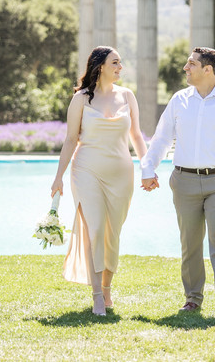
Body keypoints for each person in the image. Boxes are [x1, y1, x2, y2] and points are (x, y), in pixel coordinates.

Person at [141, 46, 215, 319]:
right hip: (185, 181)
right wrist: (148, 168)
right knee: (190, 243)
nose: (185, 68)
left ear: (208, 69)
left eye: (191, 63)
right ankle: (192, 299)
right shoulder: (179, 100)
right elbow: (161, 139)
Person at [51, 46, 148, 316]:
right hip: (86, 171)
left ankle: (106, 289)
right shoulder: (81, 99)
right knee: (95, 228)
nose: (120, 67)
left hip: (121, 173)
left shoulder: (127, 96)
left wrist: (148, 167)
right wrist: (58, 176)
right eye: (115, 63)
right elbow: (71, 139)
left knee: (111, 233)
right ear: (100, 66)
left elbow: (137, 136)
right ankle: (96, 296)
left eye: (120, 63)